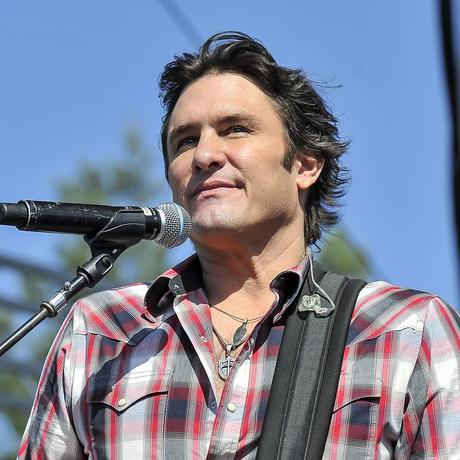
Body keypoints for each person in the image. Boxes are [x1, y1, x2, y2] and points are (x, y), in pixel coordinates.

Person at [18, 31, 460, 459]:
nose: (203, 155)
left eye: (235, 130)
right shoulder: (101, 330)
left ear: (305, 165)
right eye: (185, 140)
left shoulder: (404, 330)